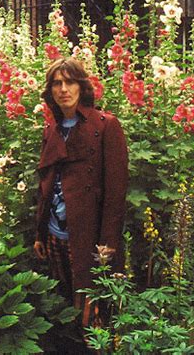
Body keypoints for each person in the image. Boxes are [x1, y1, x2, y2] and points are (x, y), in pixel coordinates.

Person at [34, 57, 128, 328]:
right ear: (50, 90)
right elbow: (46, 185)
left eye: (70, 82)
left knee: (92, 313)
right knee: (64, 308)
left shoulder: (105, 126)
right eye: (57, 83)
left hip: (88, 237)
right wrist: (40, 233)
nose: (63, 89)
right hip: (55, 234)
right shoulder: (51, 128)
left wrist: (107, 242)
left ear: (81, 87)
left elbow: (115, 191)